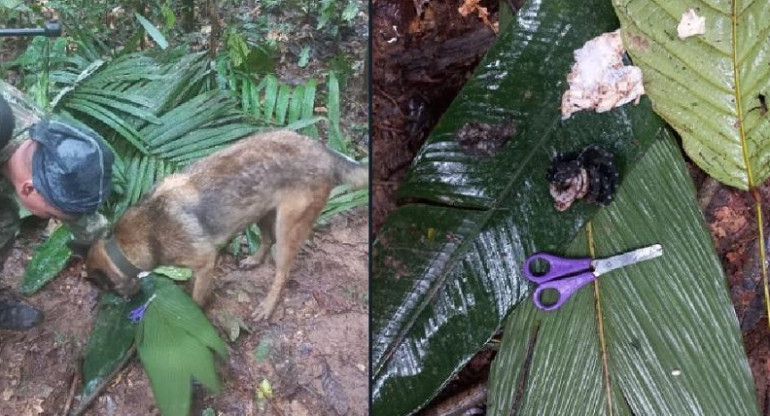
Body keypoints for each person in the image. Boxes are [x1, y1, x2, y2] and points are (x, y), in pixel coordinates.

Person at [0, 82, 114, 331]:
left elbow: (76, 213)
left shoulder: (44, 139)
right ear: (28, 188)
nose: (59, 220)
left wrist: (107, 255)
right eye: (54, 216)